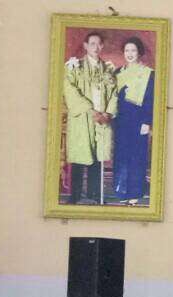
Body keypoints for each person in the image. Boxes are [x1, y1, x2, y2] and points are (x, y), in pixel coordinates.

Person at [62, 31, 117, 204]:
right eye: (92, 43)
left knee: (97, 157)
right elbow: (69, 90)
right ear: (85, 46)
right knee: (80, 155)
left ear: (102, 46)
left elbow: (114, 93)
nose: (96, 47)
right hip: (83, 117)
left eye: (99, 44)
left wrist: (108, 113)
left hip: (102, 118)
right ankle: (75, 195)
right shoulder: (74, 66)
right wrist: (90, 110)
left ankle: (95, 194)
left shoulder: (108, 69)